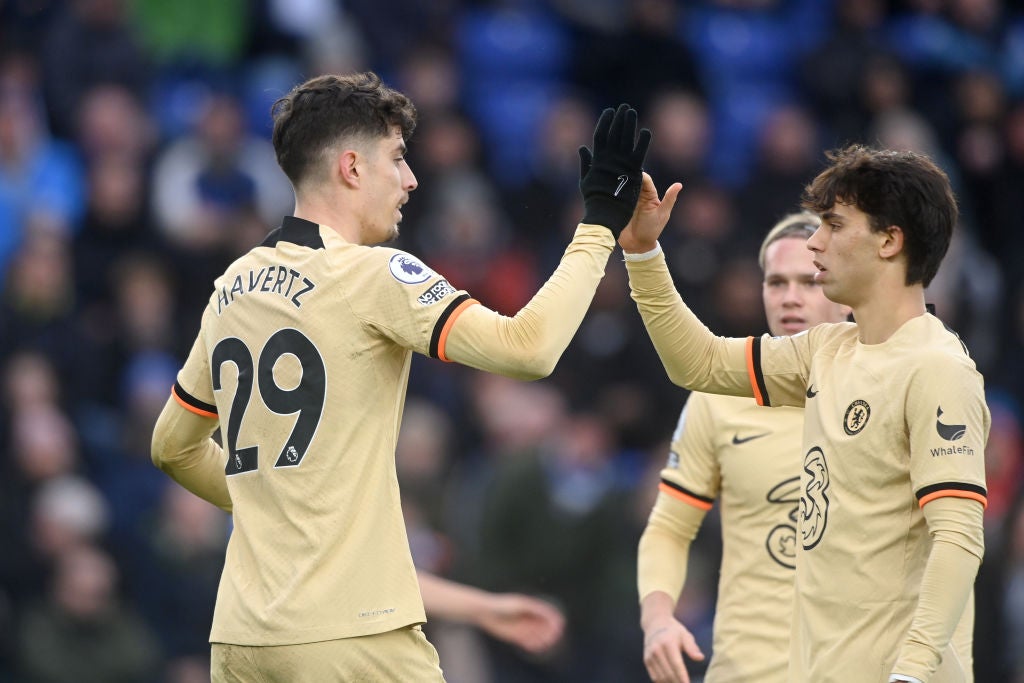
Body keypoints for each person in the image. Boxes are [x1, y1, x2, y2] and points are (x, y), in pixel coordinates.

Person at [149, 70, 650, 681]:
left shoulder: (232, 288)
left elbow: (172, 445)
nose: (411, 180)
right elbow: (530, 349)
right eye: (398, 158)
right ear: (352, 168)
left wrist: (276, 503)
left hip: (241, 640)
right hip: (350, 635)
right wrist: (599, 223)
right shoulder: (374, 276)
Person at [621, 144, 988, 683]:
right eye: (777, 280)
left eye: (835, 226)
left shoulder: (936, 368)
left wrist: (911, 671)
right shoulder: (827, 352)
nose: (814, 244)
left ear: (890, 240)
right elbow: (698, 362)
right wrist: (643, 253)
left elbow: (959, 537)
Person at [637, 211, 851, 683]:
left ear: (848, 293)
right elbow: (670, 526)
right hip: (748, 670)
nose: (790, 298)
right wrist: (657, 621)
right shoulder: (719, 398)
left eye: (809, 282)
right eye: (776, 283)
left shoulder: (889, 385)